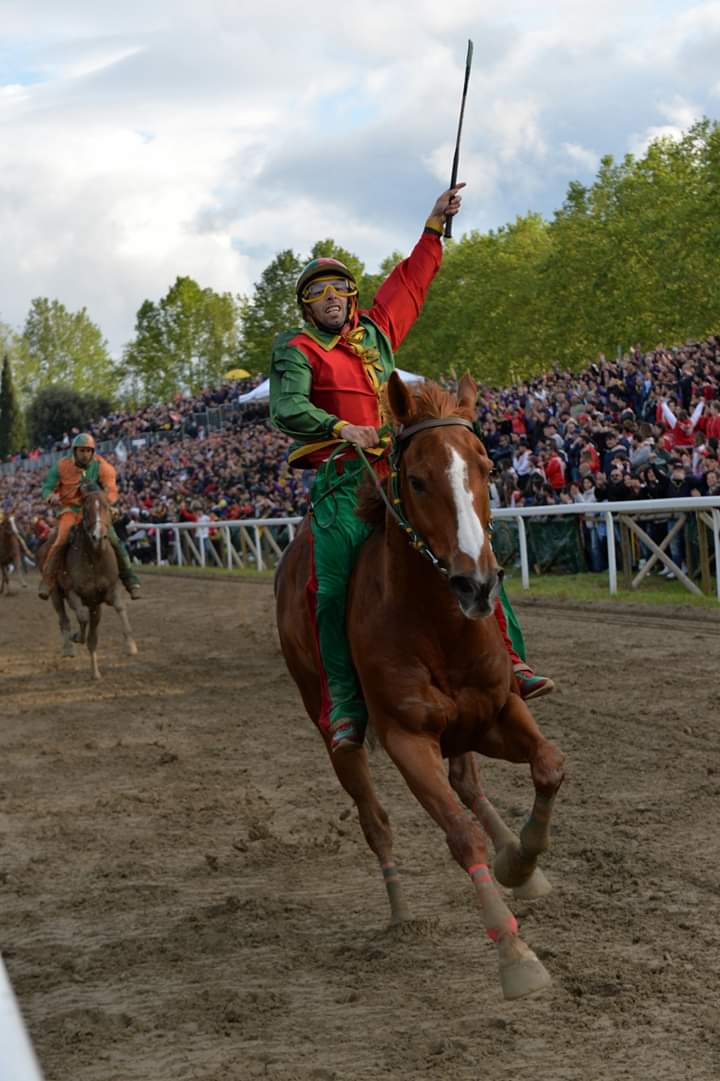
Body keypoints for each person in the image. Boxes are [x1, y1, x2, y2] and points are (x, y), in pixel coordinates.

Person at [270, 184, 553, 754]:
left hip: (403, 474)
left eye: (338, 287)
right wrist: (338, 428)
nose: (329, 296)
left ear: (351, 295)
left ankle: (511, 661)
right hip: (345, 483)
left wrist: (432, 227)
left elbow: (411, 283)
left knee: (471, 550)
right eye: (316, 292)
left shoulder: (375, 331)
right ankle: (345, 703)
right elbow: (286, 407)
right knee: (326, 590)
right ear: (306, 306)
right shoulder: (297, 348)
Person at [37, 433, 141, 600]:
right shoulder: (61, 465)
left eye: (88, 450)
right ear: (74, 451)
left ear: (93, 452)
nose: (85, 454)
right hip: (70, 510)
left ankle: (131, 581)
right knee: (62, 538)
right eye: (81, 450)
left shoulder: (102, 466)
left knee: (113, 539)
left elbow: (111, 490)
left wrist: (107, 503)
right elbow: (47, 487)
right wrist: (51, 496)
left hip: (94, 509)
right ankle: (48, 580)